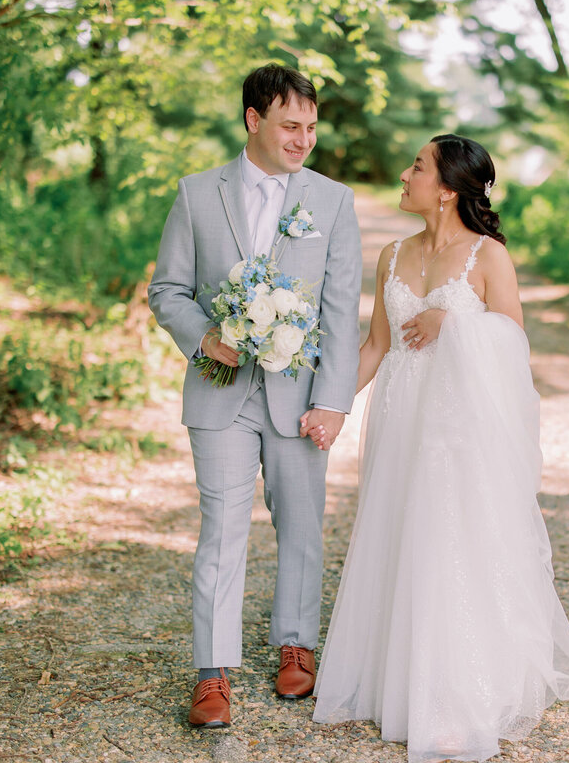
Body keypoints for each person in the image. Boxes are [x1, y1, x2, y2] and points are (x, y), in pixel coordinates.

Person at [310, 134, 569, 762]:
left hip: (458, 428)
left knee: (450, 543)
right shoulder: (392, 254)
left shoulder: (488, 257)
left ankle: (457, 696)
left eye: (417, 166)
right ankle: (399, 680)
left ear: (446, 189)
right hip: (400, 421)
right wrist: (332, 408)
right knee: (401, 534)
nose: (404, 175)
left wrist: (455, 321)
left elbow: (513, 342)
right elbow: (376, 347)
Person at [147, 64, 362, 729]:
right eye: (290, 125)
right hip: (221, 392)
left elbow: (341, 310)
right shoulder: (196, 194)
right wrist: (204, 337)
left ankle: (296, 644)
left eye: (311, 127)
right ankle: (212, 672)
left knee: (301, 524)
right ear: (253, 120)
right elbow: (167, 290)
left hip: (301, 400)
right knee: (221, 529)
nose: (304, 139)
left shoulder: (333, 201)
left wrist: (334, 402)